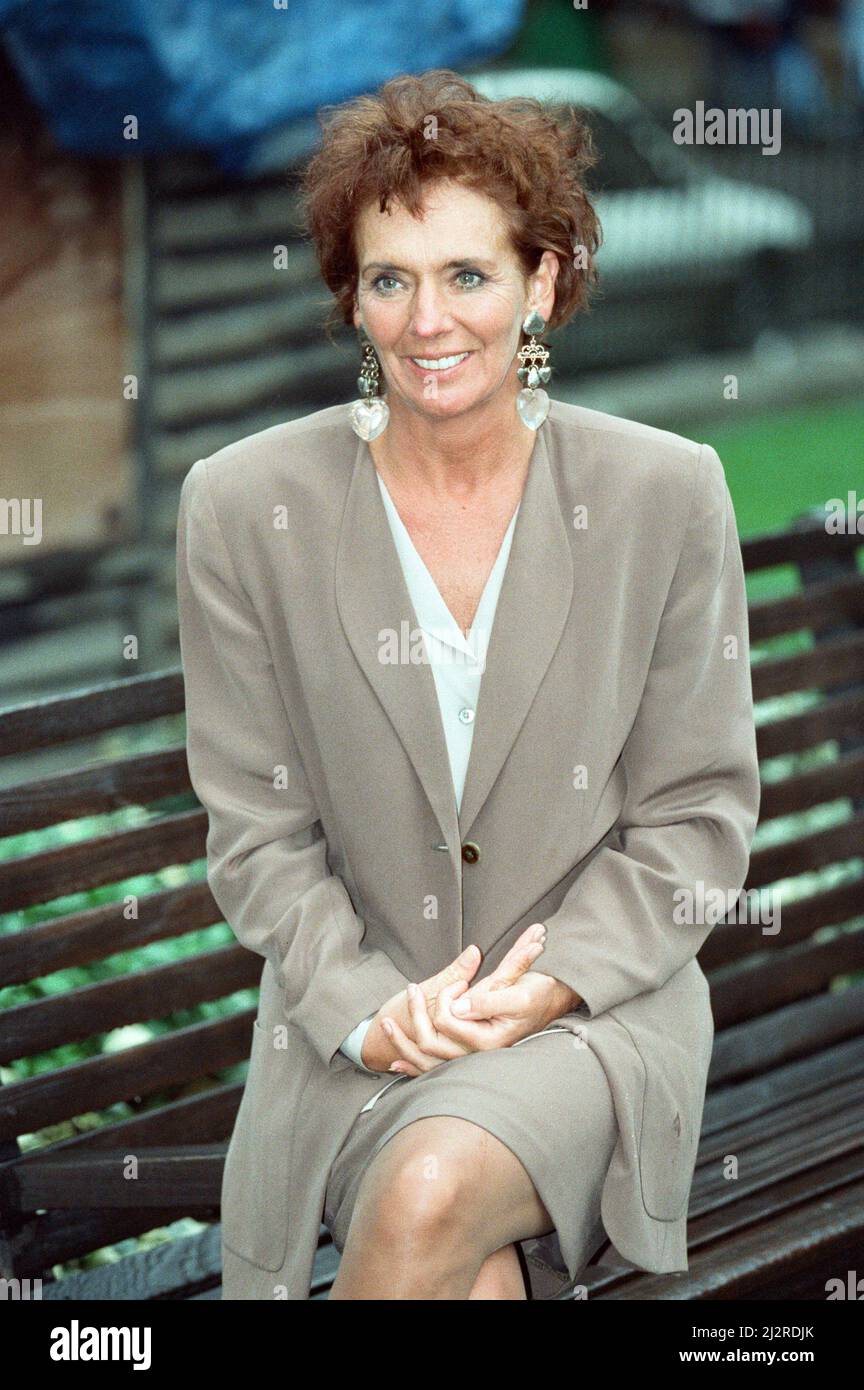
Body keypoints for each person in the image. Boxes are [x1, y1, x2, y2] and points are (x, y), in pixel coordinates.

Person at [175, 69, 760, 1300]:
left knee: (433, 1193)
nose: (428, 321)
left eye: (469, 275)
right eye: (390, 279)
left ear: (541, 283)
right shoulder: (242, 507)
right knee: (465, 1265)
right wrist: (370, 1010)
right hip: (353, 1033)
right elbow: (258, 834)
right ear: (352, 296)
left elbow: (697, 818)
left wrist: (547, 984)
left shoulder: (664, 493)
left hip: (595, 1011)